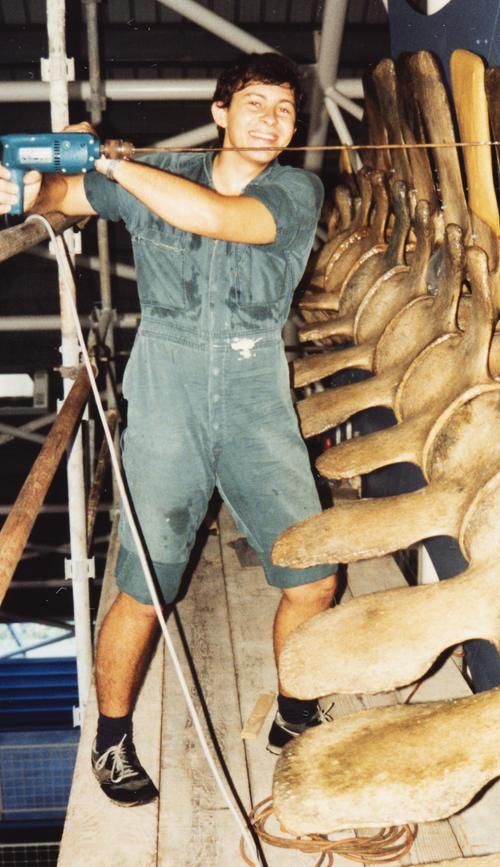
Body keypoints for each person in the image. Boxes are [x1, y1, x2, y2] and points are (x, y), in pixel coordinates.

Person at [0, 52, 337, 806]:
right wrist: (34, 180)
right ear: (220, 112)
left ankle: (296, 707)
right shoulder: (154, 170)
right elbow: (65, 194)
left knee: (316, 577)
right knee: (143, 587)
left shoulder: (296, 188)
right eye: (255, 104)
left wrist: (121, 167)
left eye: (284, 110)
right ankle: (112, 737)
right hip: (167, 385)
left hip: (254, 390)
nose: (271, 121)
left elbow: (219, 219)